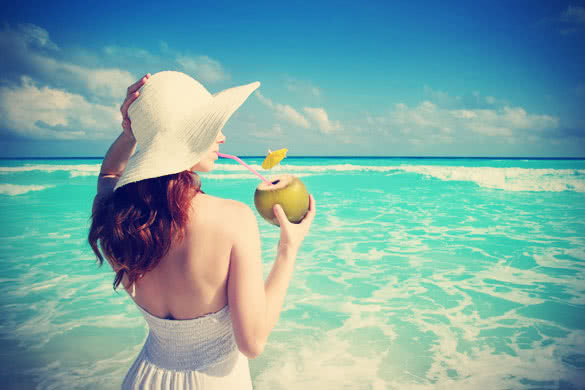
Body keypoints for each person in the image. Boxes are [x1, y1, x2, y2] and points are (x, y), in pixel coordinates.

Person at [88, 71, 316, 389]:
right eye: (210, 127)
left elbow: (111, 173)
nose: (221, 136)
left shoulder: (117, 215)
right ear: (185, 138)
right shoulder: (233, 218)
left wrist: (130, 134)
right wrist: (288, 250)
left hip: (146, 377)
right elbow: (252, 343)